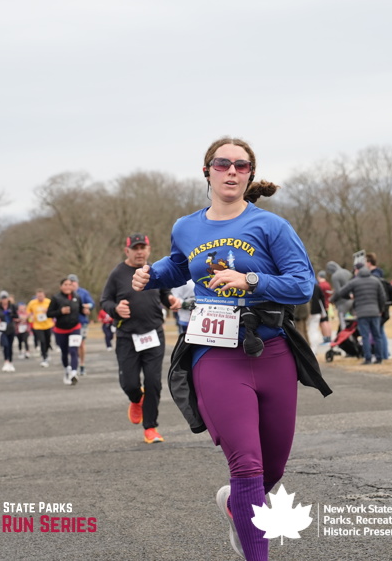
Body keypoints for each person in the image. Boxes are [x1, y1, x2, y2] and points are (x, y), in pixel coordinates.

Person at [131, 136, 330, 561]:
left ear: (250, 175)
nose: (232, 171)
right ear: (207, 171)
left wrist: (251, 280)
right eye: (223, 164)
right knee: (247, 465)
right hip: (215, 353)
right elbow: (180, 265)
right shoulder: (186, 226)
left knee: (272, 468)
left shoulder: (271, 227)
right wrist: (152, 275)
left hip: (271, 351)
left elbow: (302, 285)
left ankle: (237, 505)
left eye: (241, 166)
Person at [101, 233, 174, 444]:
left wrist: (171, 300)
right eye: (135, 248)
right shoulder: (117, 274)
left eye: (143, 248)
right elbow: (105, 301)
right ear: (127, 251)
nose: (140, 252)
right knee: (130, 383)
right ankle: (136, 399)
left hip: (153, 334)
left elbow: (164, 294)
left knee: (153, 382)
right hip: (127, 336)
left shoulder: (155, 271)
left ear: (149, 250)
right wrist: (115, 309)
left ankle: (150, 428)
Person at [334, 262, 390, 365]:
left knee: (365, 336)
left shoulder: (354, 282)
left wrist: (350, 296)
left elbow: (341, 292)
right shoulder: (375, 280)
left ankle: (367, 358)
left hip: (361, 313)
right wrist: (380, 309)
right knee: (377, 335)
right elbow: (382, 297)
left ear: (357, 271)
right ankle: (379, 358)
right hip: (375, 312)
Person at [47, 278, 82, 385]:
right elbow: (49, 314)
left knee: (73, 350)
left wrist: (85, 310)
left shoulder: (77, 297)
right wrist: (60, 311)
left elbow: (81, 310)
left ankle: (74, 373)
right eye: (65, 284)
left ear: (72, 286)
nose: (67, 287)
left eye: (69, 284)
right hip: (61, 329)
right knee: (65, 352)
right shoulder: (56, 298)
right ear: (61, 286)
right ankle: (67, 370)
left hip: (75, 327)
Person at [68, 274, 94, 376]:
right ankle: (73, 364)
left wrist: (85, 307)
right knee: (71, 345)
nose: (72, 284)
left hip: (81, 322)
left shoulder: (83, 292)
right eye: (70, 282)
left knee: (81, 344)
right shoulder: (66, 294)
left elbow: (91, 304)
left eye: (73, 282)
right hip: (69, 322)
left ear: (77, 283)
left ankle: (82, 365)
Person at [0, 291, 18, 372]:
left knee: (10, 345)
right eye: (2, 298)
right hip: (2, 329)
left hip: (10, 328)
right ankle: (6, 361)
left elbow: (16, 316)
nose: (4, 300)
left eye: (5, 298)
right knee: (5, 345)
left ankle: (11, 362)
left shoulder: (12, 306)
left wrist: (10, 314)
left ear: (8, 298)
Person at [27, 289, 54, 367]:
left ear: (44, 295)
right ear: (36, 296)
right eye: (38, 296)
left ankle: (46, 352)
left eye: (41, 296)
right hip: (38, 325)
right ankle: (44, 357)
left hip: (48, 324)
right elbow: (28, 311)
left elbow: (54, 310)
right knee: (42, 341)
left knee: (48, 341)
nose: (40, 298)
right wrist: (31, 316)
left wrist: (48, 311)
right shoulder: (32, 303)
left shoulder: (48, 302)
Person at [325, 261, 353, 333]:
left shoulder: (335, 276)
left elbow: (338, 292)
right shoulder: (347, 272)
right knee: (353, 322)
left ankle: (346, 338)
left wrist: (331, 299)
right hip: (352, 301)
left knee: (343, 324)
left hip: (342, 303)